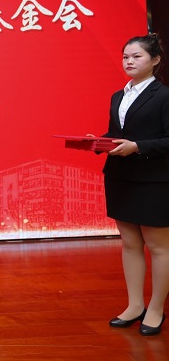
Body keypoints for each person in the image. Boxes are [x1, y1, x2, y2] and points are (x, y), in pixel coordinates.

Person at [101, 34, 169, 336]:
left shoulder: (164, 96)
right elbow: (117, 134)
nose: (129, 61)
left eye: (136, 56)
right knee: (129, 244)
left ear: (155, 60)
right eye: (125, 56)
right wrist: (98, 141)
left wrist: (138, 147)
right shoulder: (118, 95)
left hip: (154, 180)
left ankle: (156, 309)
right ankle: (135, 305)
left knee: (159, 248)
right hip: (120, 177)